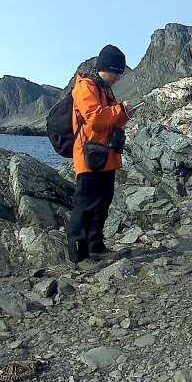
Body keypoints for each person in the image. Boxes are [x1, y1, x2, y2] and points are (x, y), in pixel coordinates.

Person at [67, 44, 132, 263]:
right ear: (106, 67)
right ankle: (79, 255)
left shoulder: (104, 89)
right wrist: (120, 110)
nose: (118, 78)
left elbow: (110, 120)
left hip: (105, 156)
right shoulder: (86, 86)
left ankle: (96, 247)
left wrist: (124, 113)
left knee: (103, 201)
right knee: (85, 204)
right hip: (89, 156)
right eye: (116, 72)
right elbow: (94, 118)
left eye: (119, 74)